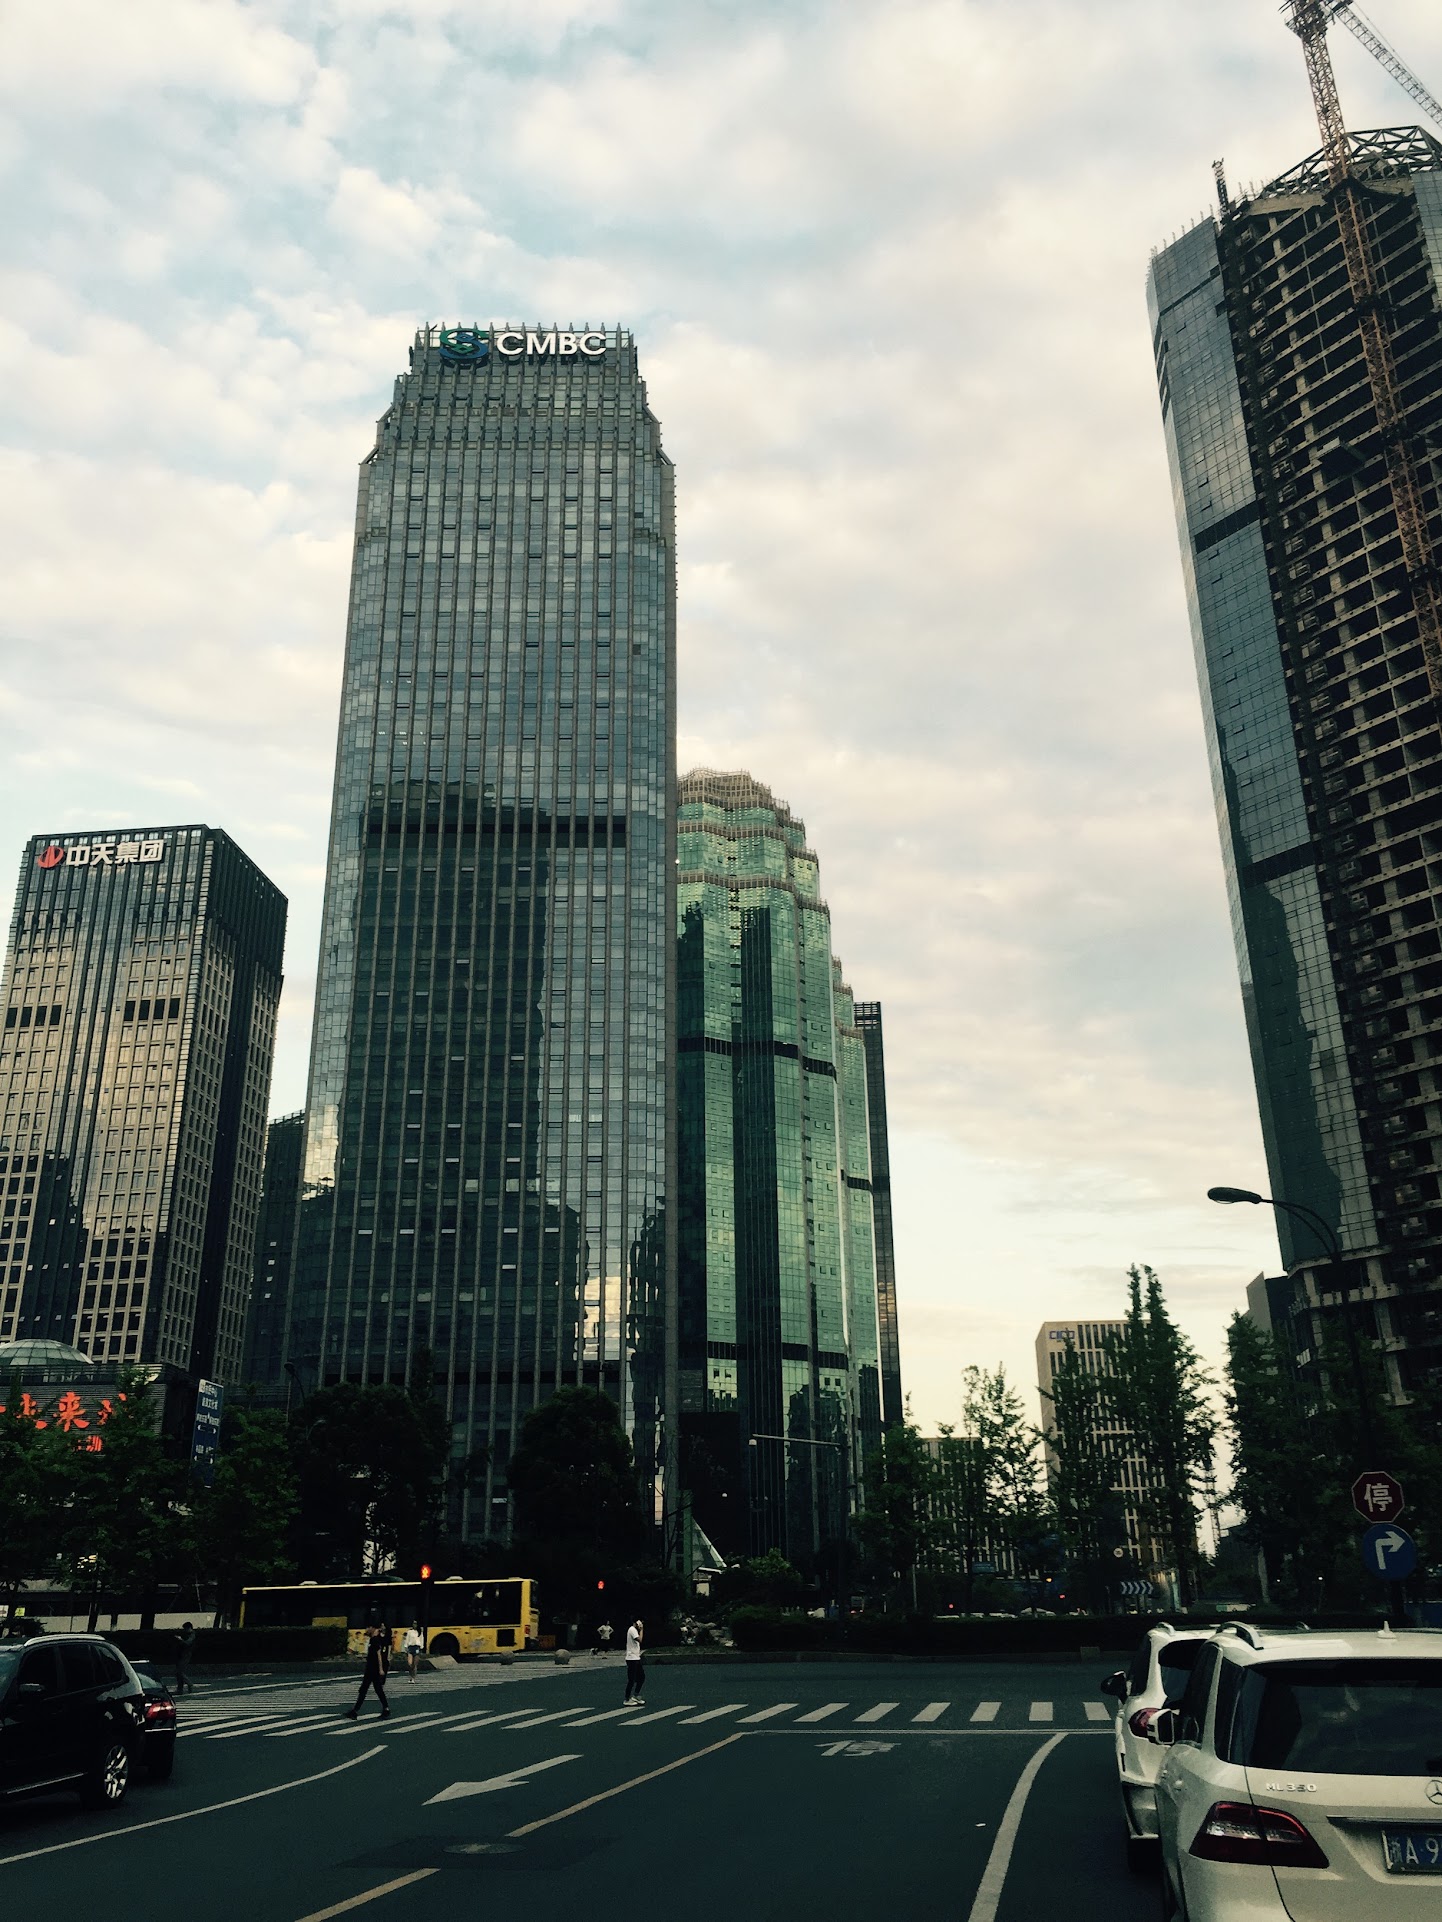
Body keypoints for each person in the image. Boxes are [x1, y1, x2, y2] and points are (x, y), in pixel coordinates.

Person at [344, 1624, 391, 1720]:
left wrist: (381, 1669)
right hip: (372, 1668)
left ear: (373, 1628)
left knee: (365, 1689)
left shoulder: (375, 1640)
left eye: (368, 1627)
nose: (366, 1629)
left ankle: (355, 1711)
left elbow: (378, 1654)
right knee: (374, 1689)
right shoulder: (375, 1639)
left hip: (373, 1669)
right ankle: (385, 1709)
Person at [622, 1617, 645, 1705]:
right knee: (631, 1679)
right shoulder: (632, 1630)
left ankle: (635, 1695)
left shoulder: (634, 1630)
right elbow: (640, 1640)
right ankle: (627, 1699)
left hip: (636, 1657)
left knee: (641, 1677)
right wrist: (641, 1630)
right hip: (631, 1658)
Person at [174, 1621, 196, 1696]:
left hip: (186, 1655)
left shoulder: (192, 1635)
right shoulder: (187, 1634)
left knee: (179, 1672)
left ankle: (189, 1683)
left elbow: (188, 1643)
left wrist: (180, 1639)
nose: (184, 1630)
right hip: (181, 1654)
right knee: (178, 1672)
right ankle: (180, 1689)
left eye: (185, 1629)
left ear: (189, 1628)